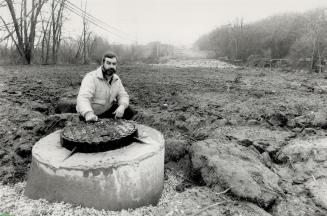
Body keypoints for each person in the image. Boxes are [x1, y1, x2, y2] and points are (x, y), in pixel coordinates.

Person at [76, 52, 133, 122]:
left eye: (114, 64)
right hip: (90, 114)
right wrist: (88, 113)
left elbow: (123, 95)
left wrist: (122, 106)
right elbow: (83, 98)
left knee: (128, 110)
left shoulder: (116, 79)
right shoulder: (91, 78)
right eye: (108, 63)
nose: (111, 66)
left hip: (106, 111)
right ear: (103, 64)